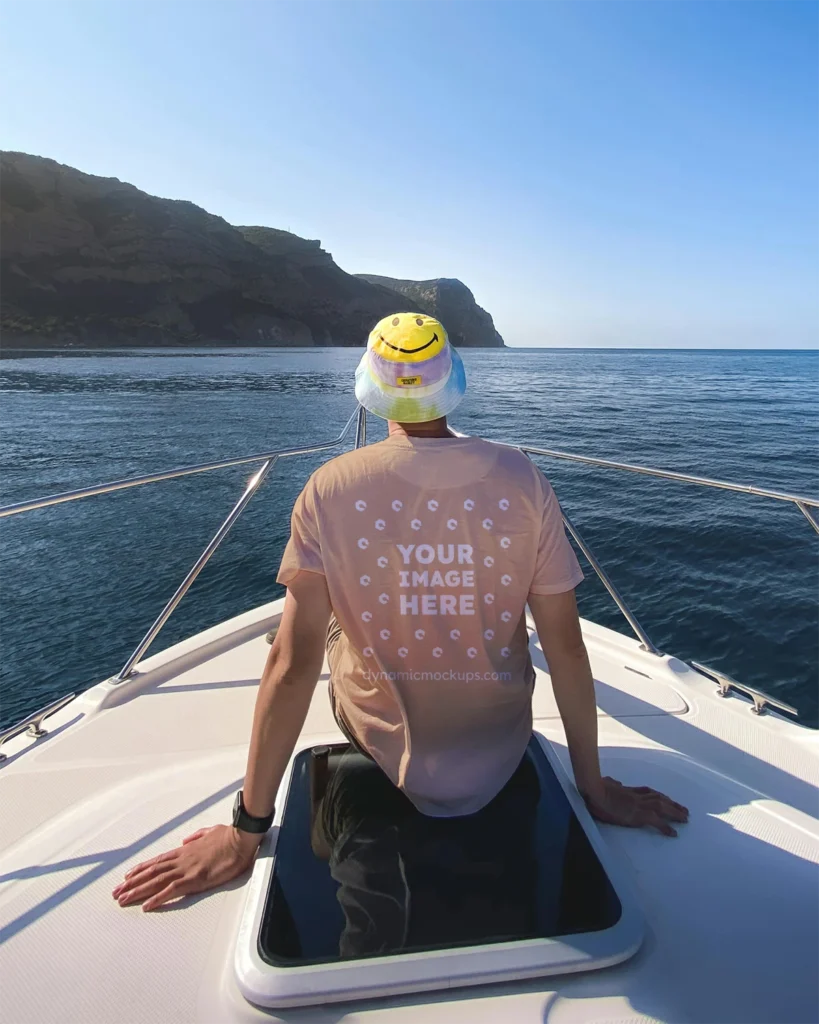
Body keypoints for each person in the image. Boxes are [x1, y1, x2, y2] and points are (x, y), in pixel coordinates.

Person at [113, 313, 687, 912]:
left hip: (384, 746)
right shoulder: (525, 480)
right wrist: (593, 790)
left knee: (314, 630)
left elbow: (291, 665)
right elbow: (566, 649)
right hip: (500, 753)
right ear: (452, 382)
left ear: (370, 385)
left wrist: (244, 831)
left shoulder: (328, 488)